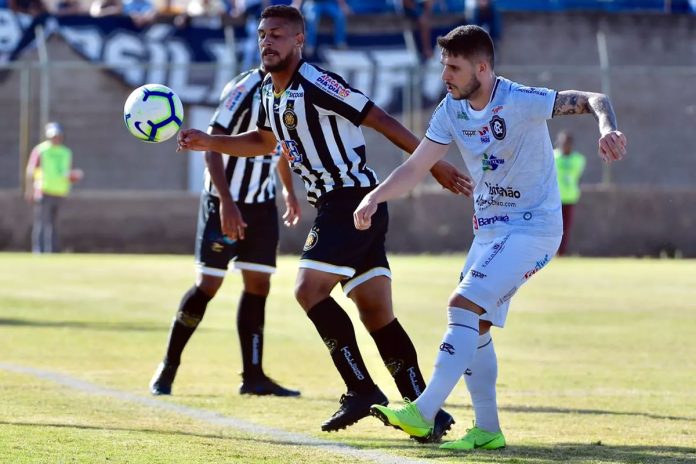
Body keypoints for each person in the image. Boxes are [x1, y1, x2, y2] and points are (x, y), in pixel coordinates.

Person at [177, 5, 473, 438]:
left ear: (299, 40)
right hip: (344, 205)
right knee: (376, 311)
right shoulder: (266, 90)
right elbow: (263, 140)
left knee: (307, 289)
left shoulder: (316, 82)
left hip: (351, 198)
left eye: (278, 34)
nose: (267, 41)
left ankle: (361, 389)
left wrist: (431, 164)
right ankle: (427, 411)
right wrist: (211, 140)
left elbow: (376, 116)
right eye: (262, 34)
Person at [354, 25, 626, 451]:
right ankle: (488, 429)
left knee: (461, 304)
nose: (446, 75)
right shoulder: (449, 110)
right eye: (444, 66)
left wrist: (607, 128)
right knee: (475, 325)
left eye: (454, 67)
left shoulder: (519, 100)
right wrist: (375, 196)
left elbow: (595, 99)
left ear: (482, 68)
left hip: (534, 228)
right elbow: (416, 166)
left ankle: (423, 411)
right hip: (490, 232)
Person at [149, 66, 302, 398]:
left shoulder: (294, 90)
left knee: (259, 282)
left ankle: (254, 376)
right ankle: (168, 366)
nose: (268, 42)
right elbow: (212, 144)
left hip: (262, 204)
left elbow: (276, 148)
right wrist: (227, 203)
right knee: (209, 284)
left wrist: (288, 190)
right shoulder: (244, 87)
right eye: (265, 36)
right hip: (224, 201)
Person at [25, 122, 83, 254]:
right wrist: (29, 190)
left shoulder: (66, 152)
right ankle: (38, 250)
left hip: (60, 192)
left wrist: (73, 176)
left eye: (58, 136)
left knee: (54, 224)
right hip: (44, 191)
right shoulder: (41, 150)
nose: (55, 139)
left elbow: (65, 173)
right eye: (53, 136)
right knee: (41, 223)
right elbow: (31, 170)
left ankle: (53, 251)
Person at [554, 131, 585, 256]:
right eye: (562, 142)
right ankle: (551, 252)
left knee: (565, 228)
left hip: (570, 197)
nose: (565, 145)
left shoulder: (578, 159)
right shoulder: (553, 156)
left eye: (567, 142)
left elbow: (577, 177)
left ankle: (561, 253)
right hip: (554, 198)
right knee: (553, 227)